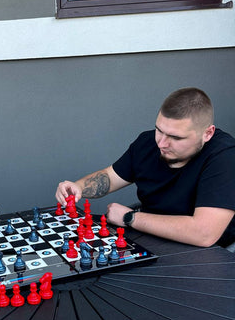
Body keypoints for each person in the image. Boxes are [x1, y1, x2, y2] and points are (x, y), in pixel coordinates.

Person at [56, 87, 235, 248]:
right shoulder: (147, 142)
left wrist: (130, 218)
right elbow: (109, 178)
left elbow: (204, 234)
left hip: (214, 253)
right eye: (159, 130)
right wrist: (78, 187)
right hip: (153, 237)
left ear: (208, 133)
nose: (162, 143)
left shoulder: (225, 156)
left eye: (176, 137)